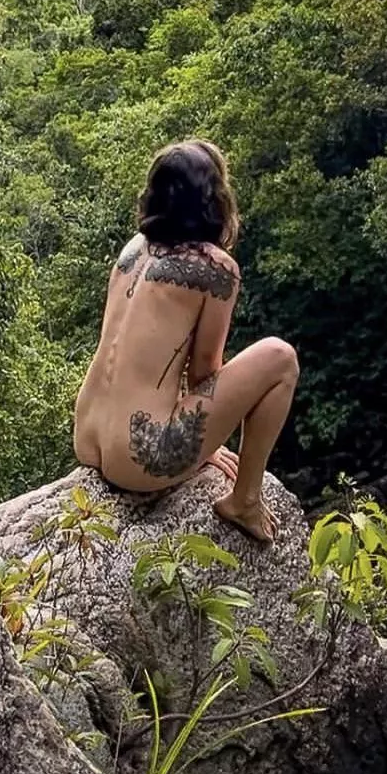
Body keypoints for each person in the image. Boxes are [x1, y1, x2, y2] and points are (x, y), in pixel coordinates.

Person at [73, 139, 299, 542]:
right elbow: (204, 371)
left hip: (87, 436)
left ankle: (238, 492)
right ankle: (244, 499)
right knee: (281, 358)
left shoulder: (132, 251)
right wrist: (203, 443)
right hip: (141, 459)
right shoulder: (215, 269)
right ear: (214, 201)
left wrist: (202, 444)